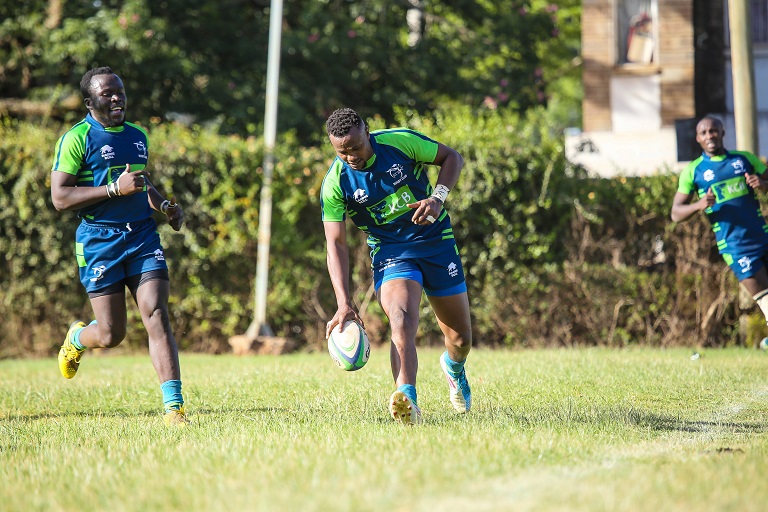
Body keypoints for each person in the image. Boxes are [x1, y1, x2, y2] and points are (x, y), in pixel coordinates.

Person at [50, 67, 189, 426]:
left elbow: (141, 185)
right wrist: (114, 190)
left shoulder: (137, 135)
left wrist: (165, 207)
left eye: (120, 91)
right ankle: (78, 337)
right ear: (89, 102)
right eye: (108, 93)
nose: (117, 98)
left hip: (142, 237)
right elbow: (60, 197)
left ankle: (174, 408)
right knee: (112, 334)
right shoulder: (77, 138)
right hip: (99, 242)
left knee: (156, 313)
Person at [321, 108, 473, 425]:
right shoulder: (336, 182)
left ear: (367, 132)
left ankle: (454, 367)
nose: (350, 157)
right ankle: (407, 398)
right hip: (391, 252)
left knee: (460, 339)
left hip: (436, 241)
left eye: (355, 148)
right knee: (401, 318)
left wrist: (437, 197)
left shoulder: (400, 142)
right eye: (341, 151)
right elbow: (335, 243)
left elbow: (452, 157)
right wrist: (343, 303)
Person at [671, 116, 768, 338]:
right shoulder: (694, 171)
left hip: (762, 236)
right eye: (704, 133)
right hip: (736, 247)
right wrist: (699, 204)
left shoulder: (744, 159)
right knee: (766, 299)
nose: (709, 136)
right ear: (698, 139)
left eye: (713, 131)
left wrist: (763, 185)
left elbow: (766, 181)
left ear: (722, 133)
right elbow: (675, 213)